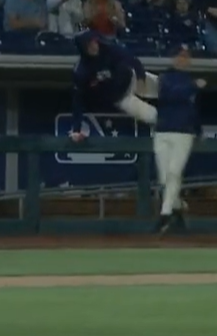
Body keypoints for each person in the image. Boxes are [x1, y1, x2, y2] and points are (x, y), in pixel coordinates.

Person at [69, 30, 157, 144]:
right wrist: (76, 129)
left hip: (132, 79)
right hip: (121, 99)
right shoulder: (81, 71)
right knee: (152, 116)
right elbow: (78, 101)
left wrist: (141, 78)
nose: (94, 46)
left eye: (94, 42)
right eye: (89, 45)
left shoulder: (108, 49)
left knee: (165, 86)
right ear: (83, 49)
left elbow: (133, 60)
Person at [152, 44, 204, 234]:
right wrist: (193, 86)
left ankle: (165, 215)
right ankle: (178, 207)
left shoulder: (190, 81)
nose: (183, 59)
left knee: (174, 173)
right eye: (180, 55)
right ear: (173, 58)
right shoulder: (164, 78)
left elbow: (194, 111)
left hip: (184, 133)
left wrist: (198, 130)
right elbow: (171, 96)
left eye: (186, 56)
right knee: (164, 178)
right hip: (163, 131)